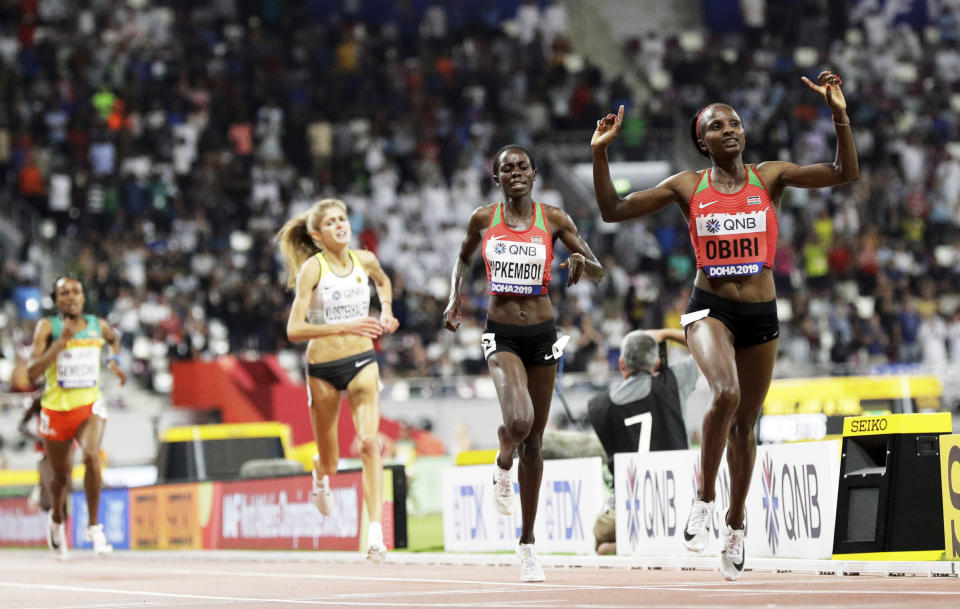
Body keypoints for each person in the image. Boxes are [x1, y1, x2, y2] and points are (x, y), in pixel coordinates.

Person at [590, 71, 858, 579]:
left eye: (735, 122)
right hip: (708, 307)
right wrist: (601, 152)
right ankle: (705, 500)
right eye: (717, 126)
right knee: (725, 394)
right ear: (702, 141)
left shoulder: (770, 176)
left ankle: (735, 524)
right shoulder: (687, 186)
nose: (730, 129)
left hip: (761, 314)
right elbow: (612, 209)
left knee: (745, 427)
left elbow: (844, 172)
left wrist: (838, 113)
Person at [442, 145, 604, 582]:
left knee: (535, 440)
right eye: (506, 168)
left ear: (534, 173)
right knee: (518, 421)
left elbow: (599, 269)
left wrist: (579, 261)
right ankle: (502, 459)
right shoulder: (483, 219)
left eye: (522, 166)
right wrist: (455, 296)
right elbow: (462, 256)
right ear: (496, 179)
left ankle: (528, 544)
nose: (515, 172)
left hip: (542, 335)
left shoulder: (553, 218)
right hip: (502, 334)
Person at [275, 198, 399, 563]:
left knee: (368, 444)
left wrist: (387, 309)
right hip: (323, 370)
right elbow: (294, 329)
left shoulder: (366, 259)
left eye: (342, 219)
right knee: (330, 461)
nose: (340, 225)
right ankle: (319, 474)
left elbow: (383, 281)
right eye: (330, 222)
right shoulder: (312, 269)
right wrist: (347, 324)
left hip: (362, 361)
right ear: (317, 234)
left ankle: (375, 533)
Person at [26, 276, 127, 558]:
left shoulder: (98, 325)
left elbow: (113, 340)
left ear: (83, 297)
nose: (71, 297)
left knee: (92, 456)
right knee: (61, 477)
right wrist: (59, 345)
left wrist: (113, 361)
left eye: (76, 292)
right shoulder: (48, 327)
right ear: (56, 300)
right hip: (57, 410)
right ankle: (57, 519)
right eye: (64, 293)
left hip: (88, 405)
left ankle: (94, 526)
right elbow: (32, 371)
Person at [587, 328, 700, 555]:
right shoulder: (674, 383)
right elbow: (704, 346)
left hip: (630, 506)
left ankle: (623, 542)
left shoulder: (597, 405)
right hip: (678, 501)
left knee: (602, 532)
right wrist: (666, 333)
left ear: (621, 365)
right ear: (657, 364)